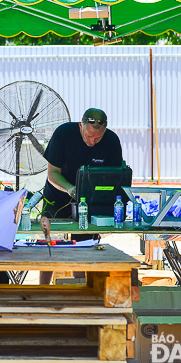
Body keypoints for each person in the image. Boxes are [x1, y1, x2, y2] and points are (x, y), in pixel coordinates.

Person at [39, 108, 123, 285]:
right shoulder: (63, 133)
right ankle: (43, 289)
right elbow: (52, 173)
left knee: (83, 245)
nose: (92, 142)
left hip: (89, 201)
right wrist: (70, 189)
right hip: (58, 195)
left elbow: (115, 177)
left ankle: (81, 288)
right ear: (80, 126)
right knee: (49, 243)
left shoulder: (112, 141)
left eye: (97, 138)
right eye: (88, 136)